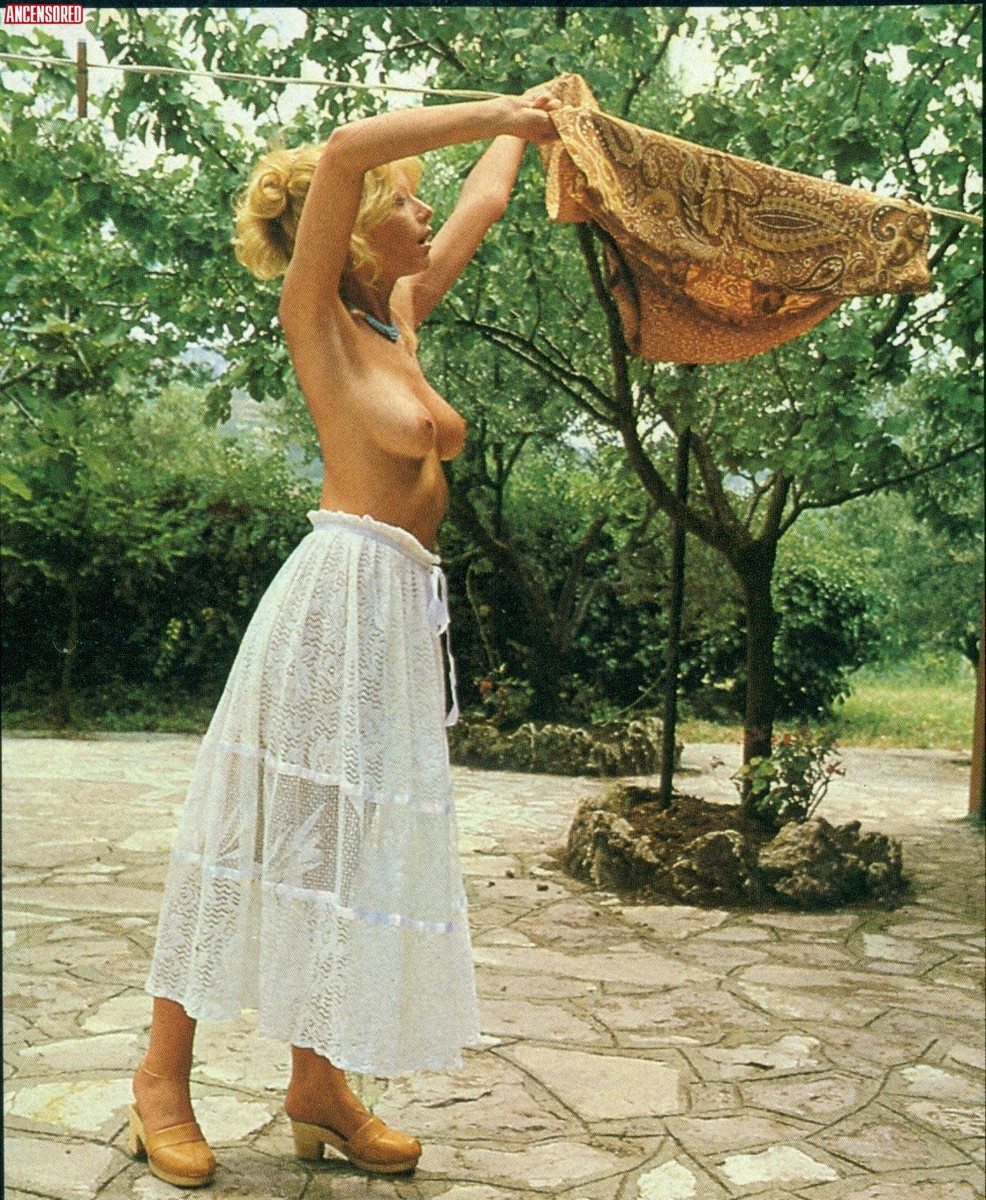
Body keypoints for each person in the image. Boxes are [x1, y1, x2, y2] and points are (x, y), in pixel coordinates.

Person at [126, 91, 560, 1188]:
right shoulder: (313, 315)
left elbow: (486, 199)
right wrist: (501, 108)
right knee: (249, 833)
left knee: (344, 851)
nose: (422, 217)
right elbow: (352, 151)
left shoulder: (398, 315)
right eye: (405, 205)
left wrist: (537, 120)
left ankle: (318, 1090)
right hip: (332, 604)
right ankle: (159, 1080)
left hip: (397, 617)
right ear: (359, 230)